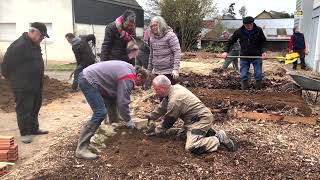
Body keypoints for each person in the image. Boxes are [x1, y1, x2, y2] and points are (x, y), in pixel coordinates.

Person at [76, 45, 147, 159]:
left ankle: (114, 124)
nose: (139, 86)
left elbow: (117, 95)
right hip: (88, 80)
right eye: (141, 83)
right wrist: (128, 120)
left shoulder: (129, 67)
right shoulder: (129, 77)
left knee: (112, 98)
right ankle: (81, 149)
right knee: (100, 112)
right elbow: (123, 102)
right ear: (139, 75)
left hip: (91, 77)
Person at [146, 75, 236, 155]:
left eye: (156, 89)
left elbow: (168, 122)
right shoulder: (174, 89)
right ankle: (207, 133)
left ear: (162, 88)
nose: (155, 92)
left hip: (201, 119)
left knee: (191, 147)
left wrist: (156, 132)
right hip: (193, 120)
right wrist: (151, 116)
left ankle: (218, 139)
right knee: (181, 137)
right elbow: (163, 106)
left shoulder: (175, 100)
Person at [1, 22, 50, 143]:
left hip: (35, 84)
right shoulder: (19, 46)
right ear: (32, 32)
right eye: (41, 36)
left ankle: (34, 129)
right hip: (22, 86)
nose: (42, 39)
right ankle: (25, 133)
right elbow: (6, 67)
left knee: (35, 107)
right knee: (24, 109)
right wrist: (17, 81)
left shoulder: (34, 44)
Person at [221, 16, 267, 90]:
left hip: (256, 56)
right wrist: (225, 51)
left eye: (250, 25)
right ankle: (244, 91)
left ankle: (258, 91)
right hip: (244, 56)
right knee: (243, 75)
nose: (248, 27)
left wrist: (263, 51)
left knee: (258, 74)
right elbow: (230, 41)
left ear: (253, 23)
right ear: (244, 24)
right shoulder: (239, 31)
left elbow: (263, 42)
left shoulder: (258, 30)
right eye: (246, 25)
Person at [148, 16, 181, 85]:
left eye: (155, 25)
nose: (153, 27)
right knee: (160, 92)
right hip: (157, 71)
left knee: (170, 93)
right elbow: (151, 54)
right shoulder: (152, 38)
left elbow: (177, 52)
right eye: (152, 26)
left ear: (161, 25)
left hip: (169, 72)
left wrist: (175, 69)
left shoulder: (170, 36)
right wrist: (149, 70)